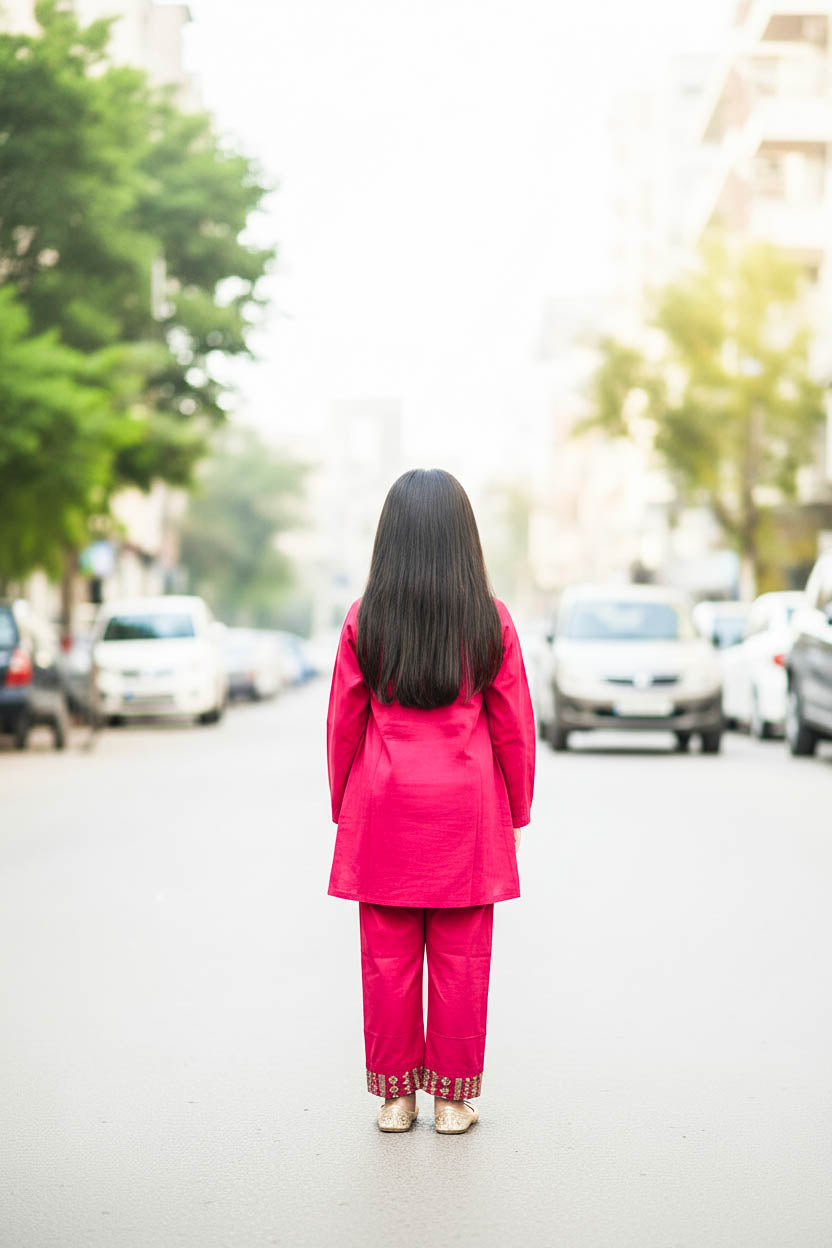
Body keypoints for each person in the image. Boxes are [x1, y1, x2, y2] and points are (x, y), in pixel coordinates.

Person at [326, 468, 535, 1134]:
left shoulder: (367, 619)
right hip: (467, 815)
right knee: (462, 960)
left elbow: (342, 725)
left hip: (385, 808)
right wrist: (518, 813)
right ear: (463, 539)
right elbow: (514, 729)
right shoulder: (491, 620)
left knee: (385, 960)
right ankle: (451, 1103)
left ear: (390, 539)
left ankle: (395, 1101)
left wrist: (344, 807)